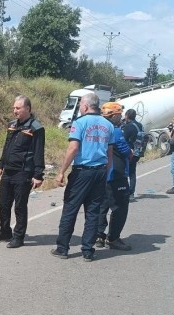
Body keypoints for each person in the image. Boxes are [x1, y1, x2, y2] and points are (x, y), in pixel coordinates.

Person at [50, 93, 113, 262]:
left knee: (70, 209)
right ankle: (88, 250)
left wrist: (62, 171)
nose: (79, 109)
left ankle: (62, 248)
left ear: (85, 106)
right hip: (100, 171)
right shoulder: (108, 125)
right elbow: (110, 152)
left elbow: (73, 148)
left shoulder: (80, 123)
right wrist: (106, 172)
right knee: (93, 211)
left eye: (80, 106)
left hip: (82, 171)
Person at [0, 95, 45, 248]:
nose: (15, 111)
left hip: (23, 172)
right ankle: (4, 231)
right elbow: (7, 146)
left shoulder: (36, 128)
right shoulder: (12, 125)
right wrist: (1, 164)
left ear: (27, 109)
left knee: (19, 206)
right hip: (8, 171)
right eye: (14, 108)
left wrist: (38, 174)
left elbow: (39, 152)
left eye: (18, 108)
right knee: (3, 203)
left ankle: (18, 236)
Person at [96, 102, 132, 251]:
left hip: (100, 173)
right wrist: (131, 153)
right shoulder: (115, 131)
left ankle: (98, 236)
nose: (121, 118)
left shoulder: (97, 129)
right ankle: (113, 238)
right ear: (115, 115)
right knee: (120, 207)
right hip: (115, 175)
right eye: (120, 115)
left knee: (101, 206)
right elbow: (125, 151)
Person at [121, 109, 144, 199]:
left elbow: (124, 139)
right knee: (132, 173)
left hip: (129, 151)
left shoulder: (128, 127)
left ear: (127, 116)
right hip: (137, 151)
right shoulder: (139, 125)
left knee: (125, 172)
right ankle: (131, 193)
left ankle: (126, 192)